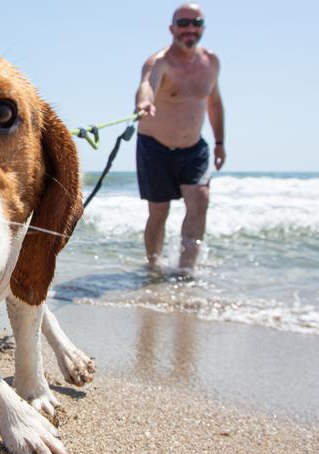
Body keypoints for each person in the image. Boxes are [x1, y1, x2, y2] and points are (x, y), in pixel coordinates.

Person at [134, 3, 224, 274]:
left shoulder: (211, 62)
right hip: (155, 146)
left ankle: (186, 272)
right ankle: (153, 266)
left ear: (203, 28)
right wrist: (143, 103)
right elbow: (147, 84)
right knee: (158, 213)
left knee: (200, 199)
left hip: (193, 148)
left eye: (196, 23)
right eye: (183, 23)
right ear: (172, 28)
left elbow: (215, 103)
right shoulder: (159, 61)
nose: (190, 28)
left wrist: (220, 142)